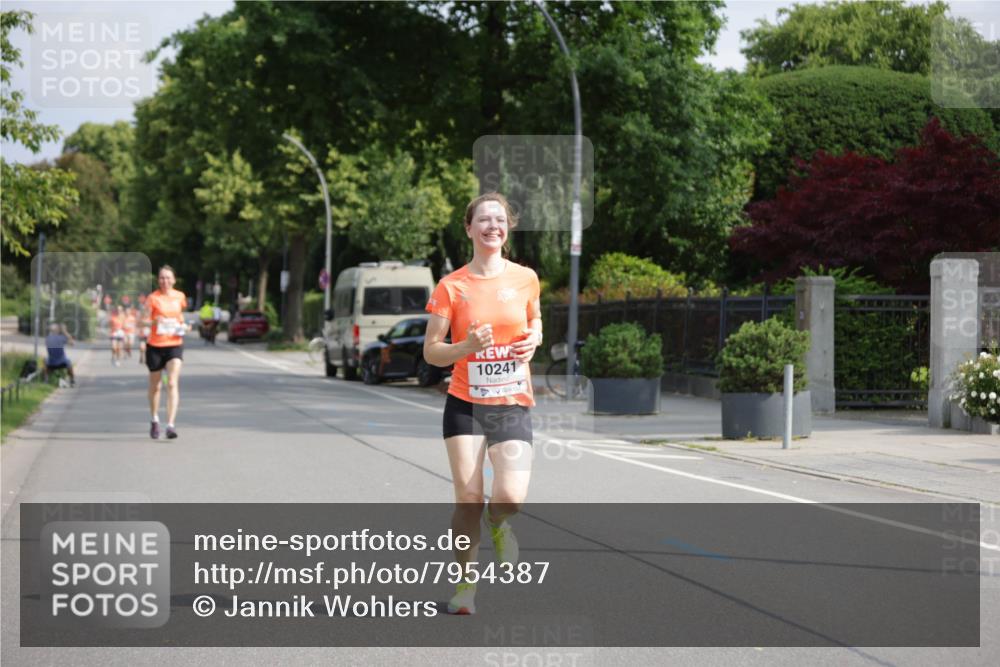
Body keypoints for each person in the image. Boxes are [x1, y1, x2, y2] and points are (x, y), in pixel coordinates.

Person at [423, 192, 542, 615]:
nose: (493, 226)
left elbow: (534, 319)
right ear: (469, 229)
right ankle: (466, 586)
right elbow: (431, 352)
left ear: (507, 229)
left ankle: (499, 524)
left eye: (500, 219)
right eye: (484, 220)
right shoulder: (450, 286)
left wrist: (536, 337)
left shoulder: (525, 278)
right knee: (469, 498)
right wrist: (466, 346)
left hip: (511, 401)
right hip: (465, 403)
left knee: (510, 495)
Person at [143, 266, 188, 439]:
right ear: (158, 280)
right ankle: (154, 419)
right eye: (162, 278)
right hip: (155, 345)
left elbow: (180, 317)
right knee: (156, 386)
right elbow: (143, 321)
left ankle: (170, 425)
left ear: (174, 280)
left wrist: (184, 325)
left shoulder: (180, 297)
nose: (165, 281)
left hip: (174, 343)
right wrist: (155, 321)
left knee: (172, 383)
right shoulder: (152, 298)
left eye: (168, 278)